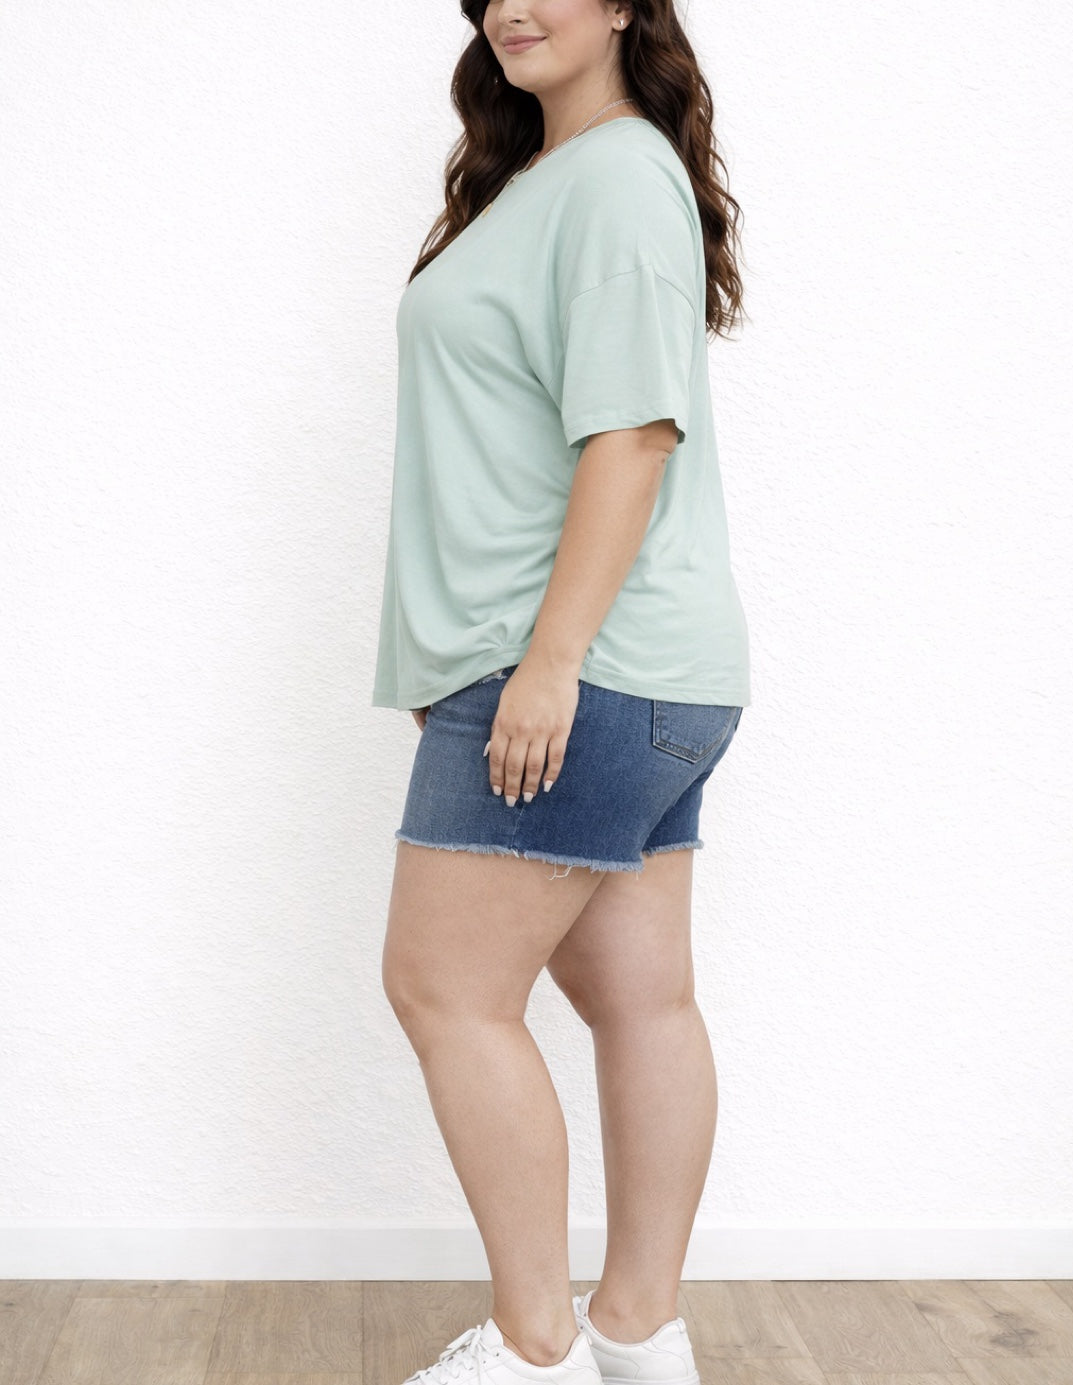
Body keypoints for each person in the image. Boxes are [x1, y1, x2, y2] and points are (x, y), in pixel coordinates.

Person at [371, 2, 751, 1381]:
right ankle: (640, 1342)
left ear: (625, 7)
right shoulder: (554, 176)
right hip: (633, 670)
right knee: (636, 994)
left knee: (443, 985)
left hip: (581, 665)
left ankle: (535, 1353)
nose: (511, 5)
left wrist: (546, 661)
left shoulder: (617, 175)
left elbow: (632, 434)